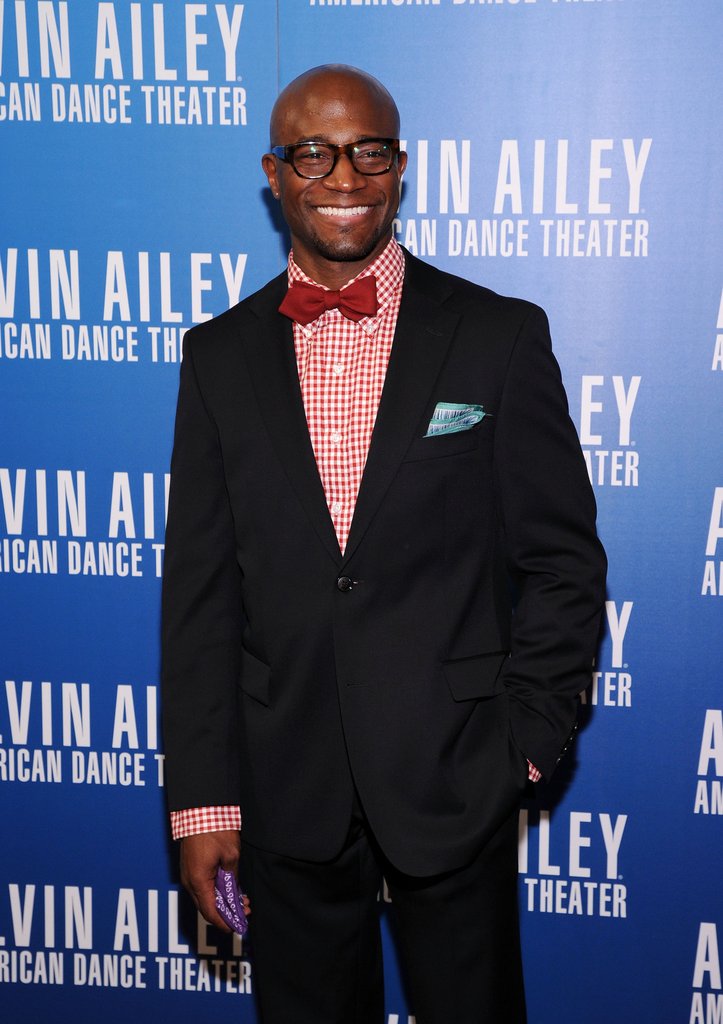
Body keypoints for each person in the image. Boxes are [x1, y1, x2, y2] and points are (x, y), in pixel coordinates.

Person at [161, 64, 607, 1024]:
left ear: (399, 166)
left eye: (368, 152)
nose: (343, 177)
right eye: (313, 154)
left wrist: (524, 745)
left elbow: (562, 564)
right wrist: (203, 805)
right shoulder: (218, 357)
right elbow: (200, 603)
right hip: (286, 788)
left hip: (456, 778)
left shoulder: (495, 336)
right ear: (274, 173)